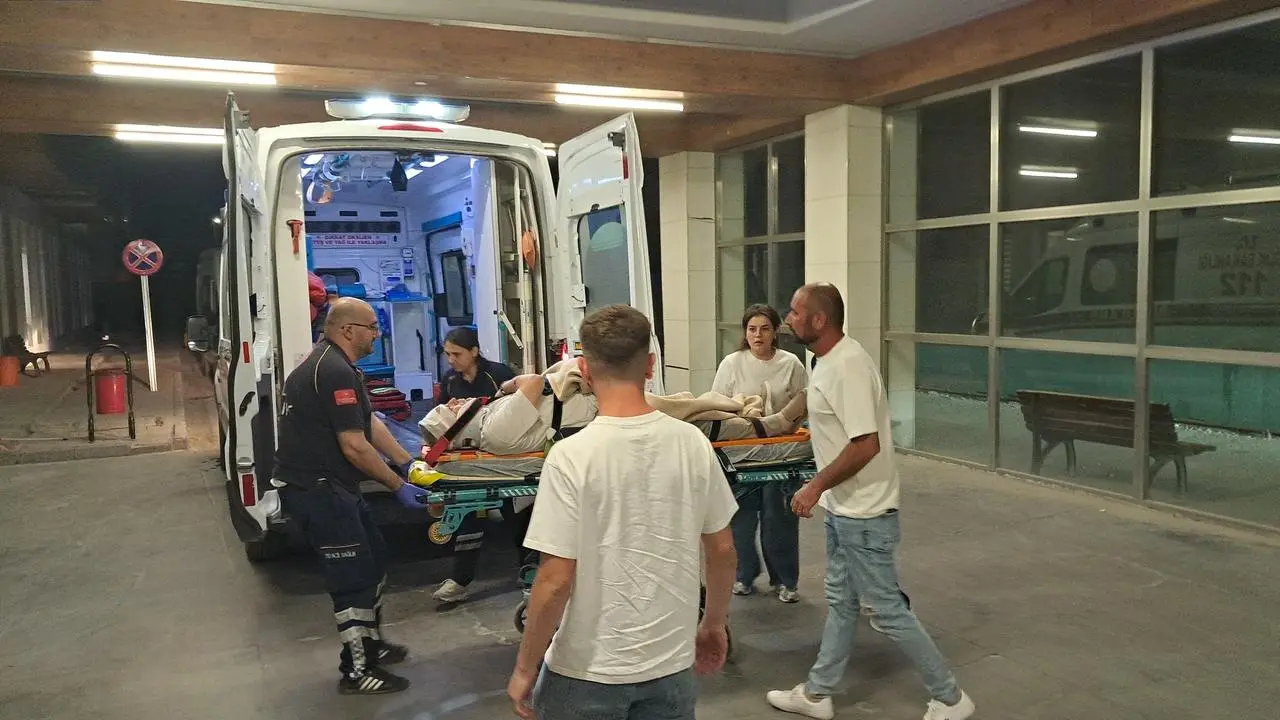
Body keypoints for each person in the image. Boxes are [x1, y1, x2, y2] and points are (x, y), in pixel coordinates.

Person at [506, 305, 739, 720]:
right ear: (650, 365)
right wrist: (713, 624)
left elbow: (556, 579)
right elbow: (722, 550)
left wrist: (525, 667)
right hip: (671, 668)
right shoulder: (692, 444)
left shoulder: (570, 456)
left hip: (586, 673)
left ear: (584, 370)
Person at [765, 283, 975, 720]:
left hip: (864, 515)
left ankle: (952, 698)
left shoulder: (848, 367)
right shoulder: (826, 362)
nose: (788, 319)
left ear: (819, 320)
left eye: (796, 312)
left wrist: (814, 486)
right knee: (842, 603)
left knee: (889, 612)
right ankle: (817, 694)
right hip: (845, 510)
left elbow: (866, 445)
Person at [272, 297, 431, 696]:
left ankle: (371, 645)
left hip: (334, 487)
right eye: (372, 327)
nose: (378, 334)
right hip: (319, 492)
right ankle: (358, 671)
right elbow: (354, 446)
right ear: (347, 330)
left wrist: (407, 462)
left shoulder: (340, 367)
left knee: (374, 562)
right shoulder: (333, 371)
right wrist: (397, 487)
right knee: (353, 579)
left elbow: (368, 422)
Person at [419, 365, 808, 456]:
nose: (452, 402)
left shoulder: (489, 421)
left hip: (601, 406)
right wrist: (512, 384)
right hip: (603, 415)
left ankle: (757, 415)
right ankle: (772, 424)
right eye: (449, 410)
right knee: (697, 423)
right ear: (457, 429)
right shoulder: (495, 430)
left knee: (687, 407)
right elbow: (534, 383)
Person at [712, 304, 807, 603]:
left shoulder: (791, 364)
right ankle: (744, 575)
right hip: (741, 454)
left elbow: (805, 404)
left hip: (782, 452)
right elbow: (717, 406)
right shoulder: (732, 363)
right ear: (745, 332)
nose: (758, 335)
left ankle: (785, 580)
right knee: (740, 518)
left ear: (775, 331)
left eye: (765, 329)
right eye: (752, 329)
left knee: (779, 517)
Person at [430, 326, 520, 604]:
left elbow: (518, 412)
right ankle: (460, 580)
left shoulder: (499, 375)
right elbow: (441, 415)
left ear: (474, 351)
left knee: (516, 514)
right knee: (468, 515)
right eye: (447, 354)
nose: (451, 360)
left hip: (502, 457)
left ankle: (530, 570)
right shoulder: (450, 380)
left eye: (456, 354)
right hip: (468, 459)